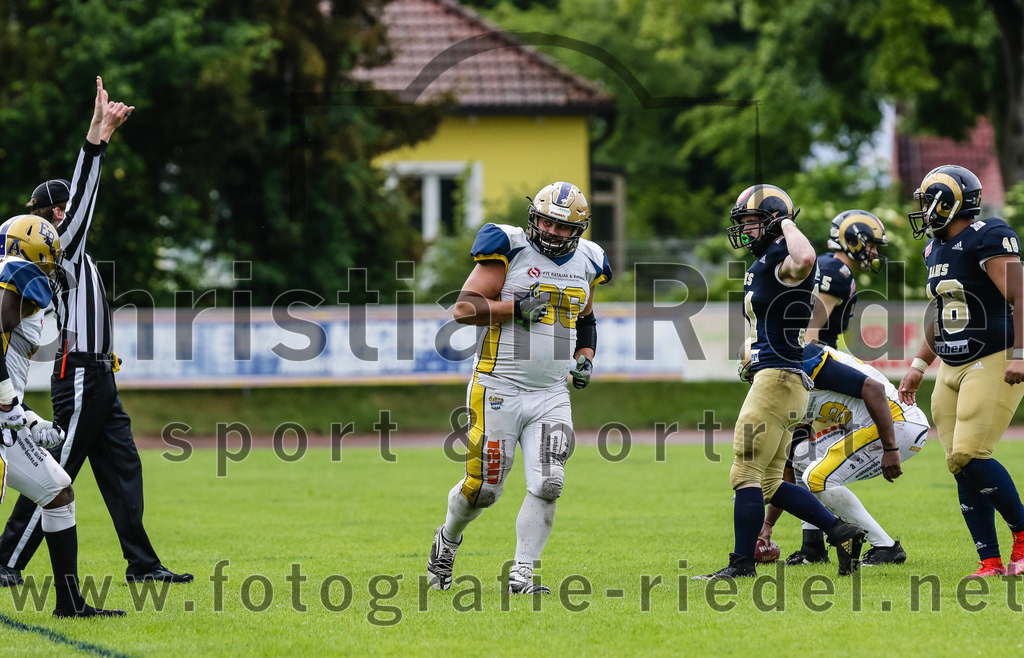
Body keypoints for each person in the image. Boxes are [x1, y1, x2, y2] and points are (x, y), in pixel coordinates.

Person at [0, 76, 191, 586]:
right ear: (40, 219)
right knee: (54, 470)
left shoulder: (69, 252)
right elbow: (83, 200)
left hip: (100, 374)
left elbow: (79, 204)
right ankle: (5, 559)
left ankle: (143, 565)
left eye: (63, 207)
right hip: (79, 369)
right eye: (52, 209)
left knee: (123, 467)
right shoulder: (56, 252)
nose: (62, 213)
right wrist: (96, 140)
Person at [426, 181, 611, 594]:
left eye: (563, 227)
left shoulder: (589, 260)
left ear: (578, 230)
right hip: (499, 386)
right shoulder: (508, 248)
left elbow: (586, 318)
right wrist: (514, 307)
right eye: (546, 221)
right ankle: (448, 540)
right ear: (534, 218)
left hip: (550, 394)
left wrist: (585, 356)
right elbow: (463, 308)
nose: (552, 231)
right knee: (484, 489)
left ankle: (522, 575)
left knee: (549, 482)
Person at [695, 184, 867, 581]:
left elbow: (805, 256)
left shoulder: (783, 257)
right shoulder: (766, 262)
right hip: (783, 379)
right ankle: (841, 532)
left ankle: (741, 565)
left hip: (778, 380)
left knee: (744, 473)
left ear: (773, 222)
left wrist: (786, 221)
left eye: (752, 222)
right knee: (771, 481)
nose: (745, 230)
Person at [898, 164, 1024, 578]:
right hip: (951, 364)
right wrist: (919, 363)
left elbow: (1020, 293)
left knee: (971, 454)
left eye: (928, 200)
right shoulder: (933, 250)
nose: (923, 210)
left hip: (993, 356)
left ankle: (1022, 534)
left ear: (952, 202)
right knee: (957, 461)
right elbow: (943, 311)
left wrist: (1021, 353)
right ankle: (988, 560)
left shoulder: (988, 235)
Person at [0, 215, 124, 617]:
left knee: (57, 492)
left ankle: (69, 603)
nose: (53, 264)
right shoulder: (17, 272)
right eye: (49, 255)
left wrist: (22, 415)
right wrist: (7, 400)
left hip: (5, 420)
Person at [756, 342, 929, 566]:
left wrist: (890, 448)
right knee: (800, 458)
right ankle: (813, 548)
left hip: (898, 425)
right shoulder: (786, 385)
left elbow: (873, 389)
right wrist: (767, 525)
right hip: (870, 426)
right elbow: (788, 468)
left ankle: (885, 547)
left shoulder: (806, 361)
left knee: (818, 478)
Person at [804, 209, 889, 348]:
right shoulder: (836, 273)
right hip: (815, 353)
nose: (875, 253)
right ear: (852, 241)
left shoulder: (832, 264)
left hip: (820, 349)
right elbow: (811, 329)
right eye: (872, 246)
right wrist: (810, 366)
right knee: (868, 371)